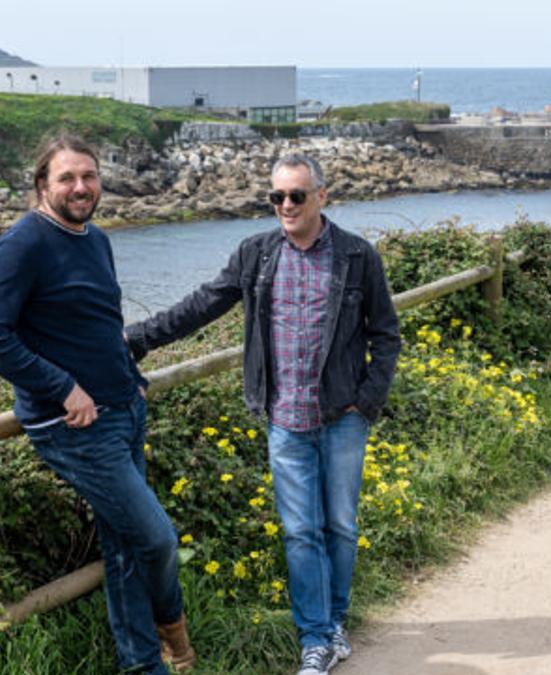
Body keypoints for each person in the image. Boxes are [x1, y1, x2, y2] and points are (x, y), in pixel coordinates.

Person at [125, 153, 400, 675]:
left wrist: (367, 402)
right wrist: (139, 338)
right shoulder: (256, 254)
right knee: (300, 532)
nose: (286, 205)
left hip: (343, 417)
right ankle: (315, 639)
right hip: (284, 420)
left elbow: (386, 335)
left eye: (297, 195)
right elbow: (204, 303)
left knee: (340, 526)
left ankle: (335, 622)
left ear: (322, 196)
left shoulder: (357, 256)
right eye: (277, 197)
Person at [0, 133, 195, 673]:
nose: (80, 186)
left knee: (125, 551)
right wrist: (63, 387)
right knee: (158, 540)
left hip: (123, 412)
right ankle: (175, 637)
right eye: (66, 177)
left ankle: (143, 666)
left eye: (88, 176)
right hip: (75, 427)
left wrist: (129, 374)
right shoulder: (23, 244)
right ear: (42, 185)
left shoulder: (94, 238)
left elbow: (102, 323)